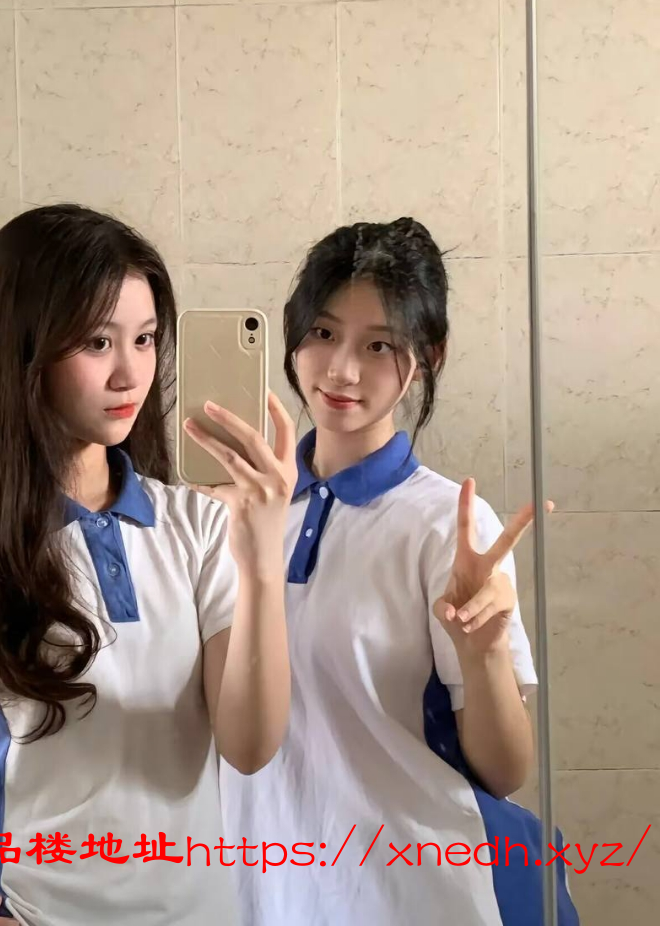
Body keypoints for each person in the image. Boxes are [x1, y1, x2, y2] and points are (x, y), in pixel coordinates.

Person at [0, 204, 296, 926]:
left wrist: (263, 558)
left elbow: (249, 747)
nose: (130, 373)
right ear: (23, 349)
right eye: (97, 341)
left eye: (145, 339)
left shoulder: (200, 525)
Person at [221, 219, 579, 924]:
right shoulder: (240, 511)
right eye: (323, 333)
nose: (341, 370)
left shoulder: (447, 524)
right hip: (273, 891)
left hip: (421, 891)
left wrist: (483, 656)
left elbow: (505, 772)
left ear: (428, 357)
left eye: (378, 345)